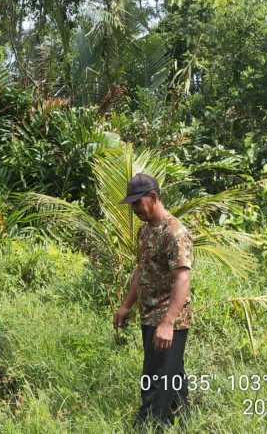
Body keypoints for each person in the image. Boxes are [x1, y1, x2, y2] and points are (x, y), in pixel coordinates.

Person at [113, 173, 194, 430]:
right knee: (171, 373)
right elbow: (142, 270)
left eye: (138, 203)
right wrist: (126, 305)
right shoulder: (146, 231)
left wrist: (168, 322)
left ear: (154, 198)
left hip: (169, 318)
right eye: (132, 204)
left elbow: (182, 279)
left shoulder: (175, 233)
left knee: (156, 378)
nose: (134, 209)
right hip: (149, 315)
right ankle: (184, 420)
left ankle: (148, 425)